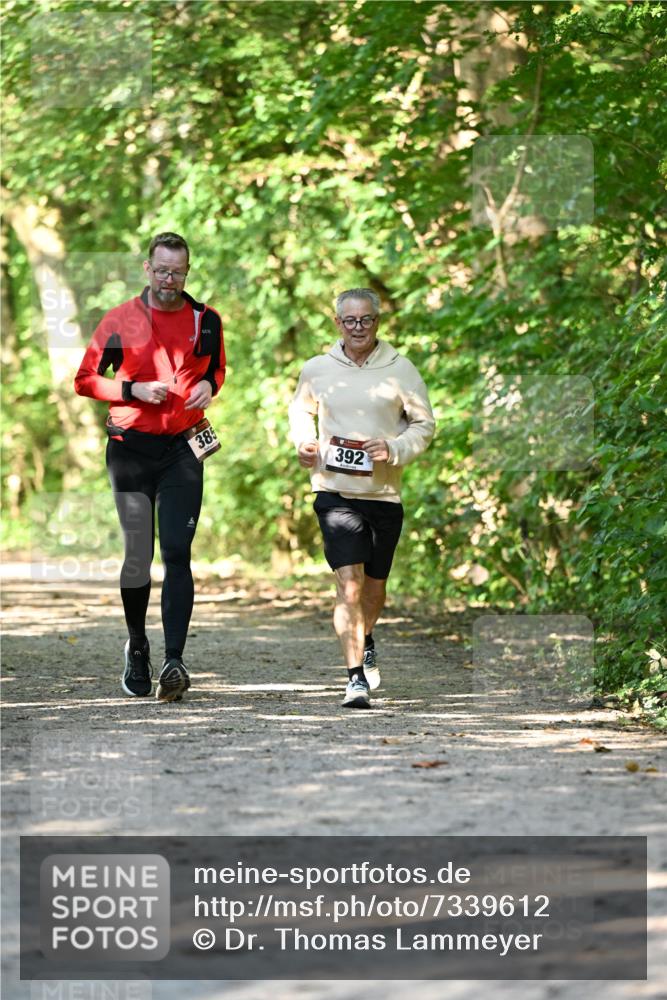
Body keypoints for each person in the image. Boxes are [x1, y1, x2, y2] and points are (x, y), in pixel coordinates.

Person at [74, 232, 226, 702]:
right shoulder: (122, 320)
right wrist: (132, 392)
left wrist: (209, 389)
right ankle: (138, 644)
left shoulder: (206, 319)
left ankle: (175, 661)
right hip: (131, 449)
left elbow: (215, 369)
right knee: (139, 554)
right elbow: (84, 380)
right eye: (161, 270)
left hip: (182, 449)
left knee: (177, 551)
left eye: (177, 272)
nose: (169, 279)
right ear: (146, 268)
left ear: (187, 271)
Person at [288, 288, 435, 709]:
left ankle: (366, 637)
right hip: (334, 491)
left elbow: (424, 426)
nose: (358, 328)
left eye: (365, 320)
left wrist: (394, 448)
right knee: (348, 587)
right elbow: (301, 412)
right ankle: (355, 679)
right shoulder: (317, 368)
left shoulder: (401, 370)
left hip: (383, 493)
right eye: (349, 321)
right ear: (337, 323)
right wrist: (303, 443)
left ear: (377, 321)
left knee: (374, 588)